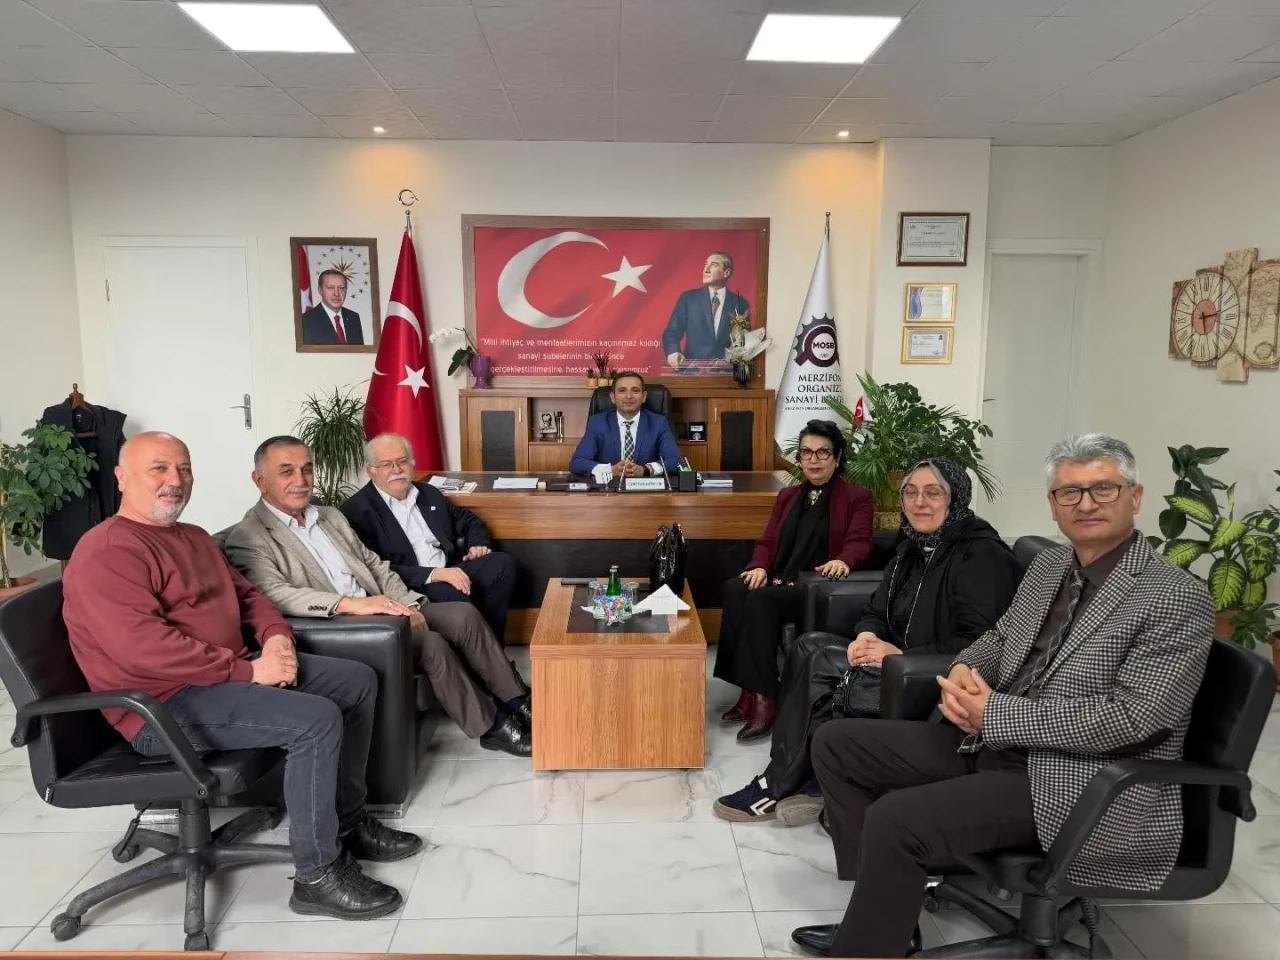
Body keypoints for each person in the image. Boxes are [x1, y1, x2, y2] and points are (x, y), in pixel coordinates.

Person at [789, 434, 1214, 959]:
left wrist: (995, 713)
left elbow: (1132, 719)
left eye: (1103, 489)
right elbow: (998, 636)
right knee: (837, 743)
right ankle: (886, 917)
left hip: (1077, 779)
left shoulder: (1173, 596)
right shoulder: (1050, 567)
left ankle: (869, 947)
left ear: (1136, 496)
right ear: (1053, 505)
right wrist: (963, 671)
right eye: (1069, 492)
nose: (1085, 504)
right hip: (993, 745)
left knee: (894, 819)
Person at [62, 431, 421, 920]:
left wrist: (276, 639)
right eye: (159, 469)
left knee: (355, 681)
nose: (175, 480)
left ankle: (346, 824)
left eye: (184, 469)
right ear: (122, 477)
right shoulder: (107, 551)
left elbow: (250, 597)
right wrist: (249, 670)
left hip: (224, 676)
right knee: (315, 720)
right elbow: (142, 648)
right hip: (162, 703)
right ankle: (317, 876)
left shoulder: (192, 537)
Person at [713, 458, 1023, 825]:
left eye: (933, 493)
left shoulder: (982, 555)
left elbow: (980, 645)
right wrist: (866, 635)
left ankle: (777, 784)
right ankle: (812, 777)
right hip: (896, 661)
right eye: (910, 492)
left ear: (956, 498)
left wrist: (900, 654)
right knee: (809, 645)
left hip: (928, 677)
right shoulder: (912, 546)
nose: (919, 502)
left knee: (822, 665)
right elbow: (876, 609)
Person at [223, 435, 531, 758]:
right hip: (342, 626)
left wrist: (409, 604)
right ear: (260, 480)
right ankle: (492, 727)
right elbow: (274, 594)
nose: (301, 480)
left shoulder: (329, 517)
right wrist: (353, 605)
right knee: (432, 645)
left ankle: (516, 699)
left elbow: (374, 564)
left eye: (307, 469)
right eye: (287, 472)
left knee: (463, 616)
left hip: (384, 605)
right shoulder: (249, 536)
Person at [713, 420, 874, 743]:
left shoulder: (857, 497)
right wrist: (759, 566)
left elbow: (861, 541)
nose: (814, 460)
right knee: (736, 588)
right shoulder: (788, 496)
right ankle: (747, 691)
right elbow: (767, 542)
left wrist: (843, 560)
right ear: (799, 458)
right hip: (780, 578)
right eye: (806, 453)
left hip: (816, 586)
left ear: (837, 457)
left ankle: (765, 698)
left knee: (761, 600)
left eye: (823, 453)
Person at [341, 433, 518, 640]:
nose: (397, 470)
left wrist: (477, 544)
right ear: (371, 471)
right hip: (410, 583)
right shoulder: (356, 511)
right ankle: (480, 652)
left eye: (402, 461)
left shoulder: (428, 493)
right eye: (387, 464)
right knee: (454, 595)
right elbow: (373, 568)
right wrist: (433, 574)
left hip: (449, 567)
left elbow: (467, 520)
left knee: (502, 564)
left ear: (412, 464)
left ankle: (491, 646)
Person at [568, 371, 682, 483]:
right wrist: (610, 470)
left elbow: (676, 461)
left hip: (646, 488)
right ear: (613, 397)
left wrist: (646, 470)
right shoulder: (598, 423)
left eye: (635, 391)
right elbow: (577, 463)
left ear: (644, 397)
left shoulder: (659, 423)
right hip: (609, 490)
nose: (629, 396)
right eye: (622, 391)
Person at [662, 251, 751, 366]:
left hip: (726, 372)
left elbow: (744, 341)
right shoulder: (689, 298)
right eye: (706, 264)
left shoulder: (740, 303)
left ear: (726, 273)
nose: (706, 269)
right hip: (692, 370)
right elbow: (672, 332)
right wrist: (673, 351)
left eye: (713, 265)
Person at [301, 269, 364, 345]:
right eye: (330, 287)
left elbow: (359, 351)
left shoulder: (353, 318)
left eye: (341, 288)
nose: (336, 294)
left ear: (346, 290)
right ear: (320, 290)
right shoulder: (306, 321)